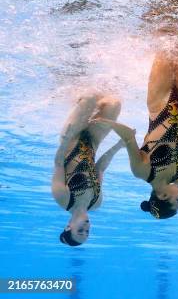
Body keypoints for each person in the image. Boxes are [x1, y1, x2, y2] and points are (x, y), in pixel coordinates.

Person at [91, 50, 178, 219]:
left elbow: (128, 137)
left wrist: (108, 122)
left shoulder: (141, 171)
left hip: (158, 105)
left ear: (163, 196)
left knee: (165, 43)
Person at [52, 93, 123, 246]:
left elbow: (58, 164)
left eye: (80, 231)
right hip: (93, 142)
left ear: (68, 226)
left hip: (72, 138)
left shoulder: (63, 198)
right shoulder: (96, 202)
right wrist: (119, 145)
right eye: (87, 232)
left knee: (89, 97)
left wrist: (65, 140)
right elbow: (100, 168)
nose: (86, 228)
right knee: (114, 104)